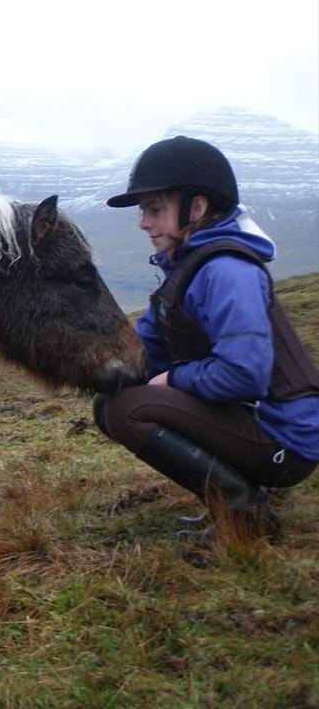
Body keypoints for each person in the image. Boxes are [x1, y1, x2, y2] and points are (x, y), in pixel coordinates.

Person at [94, 135, 319, 540]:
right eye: (145, 212)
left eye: (155, 209)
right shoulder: (186, 271)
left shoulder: (227, 271)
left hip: (286, 444)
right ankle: (231, 501)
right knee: (109, 402)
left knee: (128, 410)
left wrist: (175, 379)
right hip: (254, 422)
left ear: (197, 208)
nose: (144, 222)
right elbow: (142, 354)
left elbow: (244, 375)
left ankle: (244, 512)